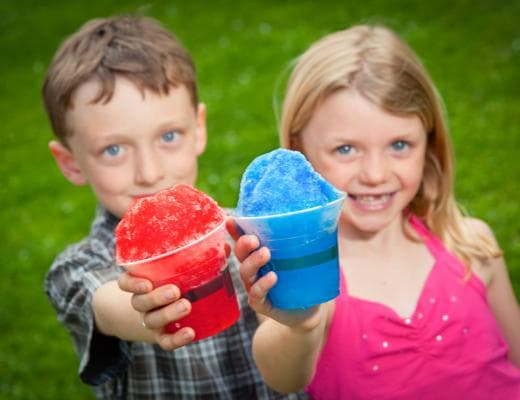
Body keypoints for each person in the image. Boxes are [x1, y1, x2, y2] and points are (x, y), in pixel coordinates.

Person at [230, 24, 520, 399]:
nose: (375, 174)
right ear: (297, 153)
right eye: (346, 149)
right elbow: (284, 378)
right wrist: (301, 326)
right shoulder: (302, 268)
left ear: (429, 142)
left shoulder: (470, 245)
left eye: (399, 145)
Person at [43, 15, 308, 399]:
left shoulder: (249, 232)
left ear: (198, 128)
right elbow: (108, 303)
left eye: (168, 136)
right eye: (113, 149)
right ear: (70, 162)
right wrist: (147, 308)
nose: (150, 173)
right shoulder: (75, 269)